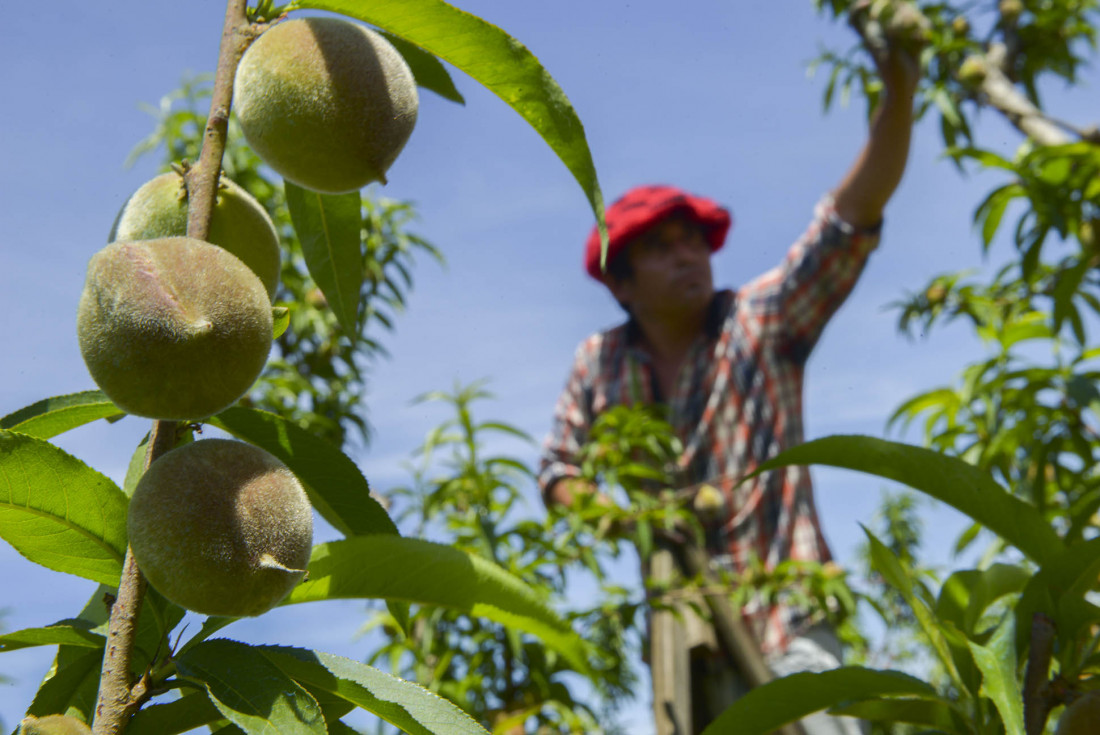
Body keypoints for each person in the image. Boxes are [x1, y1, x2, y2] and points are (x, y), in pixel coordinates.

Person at [536, 27, 920, 735]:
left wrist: (900, 90)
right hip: (686, 635)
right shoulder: (602, 361)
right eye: (664, 246)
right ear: (622, 282)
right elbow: (558, 468)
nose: (691, 255)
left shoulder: (760, 323)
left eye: (694, 240)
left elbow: (848, 219)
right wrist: (625, 515)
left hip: (791, 614)